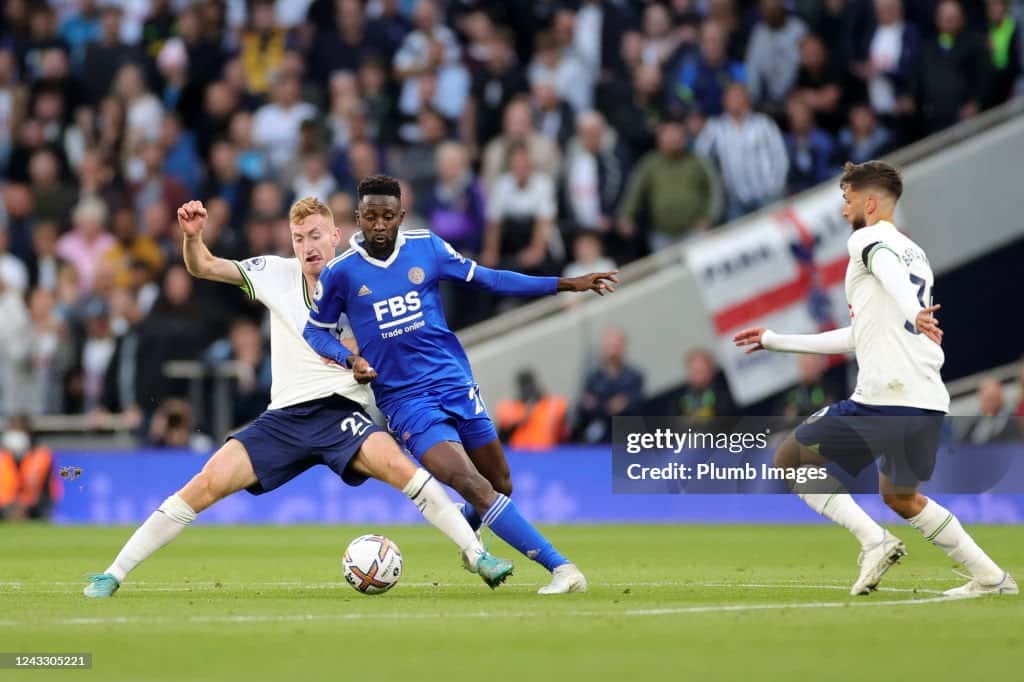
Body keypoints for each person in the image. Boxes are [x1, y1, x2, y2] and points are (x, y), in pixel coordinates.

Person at [82, 197, 514, 598]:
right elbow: (205, 267)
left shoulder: (363, 280)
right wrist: (193, 237)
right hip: (284, 418)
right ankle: (113, 573)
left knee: (407, 471)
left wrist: (363, 359)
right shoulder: (274, 272)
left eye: (315, 236)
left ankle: (479, 556)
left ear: (335, 237)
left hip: (341, 413)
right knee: (205, 484)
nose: (307, 246)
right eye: (299, 238)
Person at [303, 175, 618, 594]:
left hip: (454, 382)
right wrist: (350, 358)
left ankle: (468, 530)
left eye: (388, 216)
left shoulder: (427, 247)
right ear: (358, 218)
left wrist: (564, 283)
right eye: (371, 216)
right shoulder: (341, 273)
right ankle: (562, 569)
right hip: (405, 400)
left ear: (400, 215)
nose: (379, 224)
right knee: (471, 483)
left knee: (500, 484)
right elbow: (316, 332)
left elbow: (491, 278)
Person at [733, 160, 1017, 597]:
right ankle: (992, 578)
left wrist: (911, 310)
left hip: (885, 396)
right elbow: (860, 334)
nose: (843, 209)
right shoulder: (915, 252)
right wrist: (777, 340)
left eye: (847, 199)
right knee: (901, 497)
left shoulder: (870, 240)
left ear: (869, 201)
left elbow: (887, 272)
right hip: (926, 400)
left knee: (790, 460)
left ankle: (874, 540)